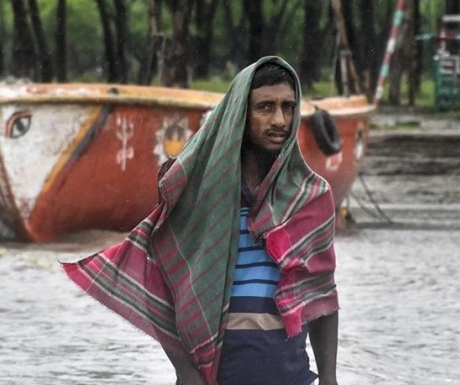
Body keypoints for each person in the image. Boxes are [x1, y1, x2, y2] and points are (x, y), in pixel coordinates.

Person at [63, 56, 339, 385]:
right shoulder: (200, 193)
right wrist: (185, 371)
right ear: (240, 113)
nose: (279, 119)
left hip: (289, 376)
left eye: (288, 107)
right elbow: (166, 284)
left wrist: (330, 379)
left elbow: (322, 297)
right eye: (265, 107)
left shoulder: (311, 197)